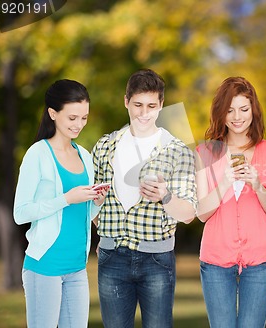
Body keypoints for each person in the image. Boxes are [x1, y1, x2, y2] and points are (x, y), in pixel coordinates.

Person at [92, 68, 197, 328]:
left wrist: (165, 196)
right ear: (126, 101)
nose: (144, 112)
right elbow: (92, 204)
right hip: (111, 256)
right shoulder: (105, 146)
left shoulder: (177, 150)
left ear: (161, 105)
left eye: (151, 105)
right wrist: (105, 229)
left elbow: (188, 213)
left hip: (156, 260)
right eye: (137, 105)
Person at [13, 79, 107, 328]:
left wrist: (97, 201)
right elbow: (20, 213)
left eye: (84, 118)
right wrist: (66, 199)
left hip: (77, 267)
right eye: (72, 118)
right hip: (45, 266)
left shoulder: (85, 156)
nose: (79, 125)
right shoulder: (38, 154)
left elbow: (83, 214)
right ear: (53, 114)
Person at [195, 76, 266, 328]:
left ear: (253, 111)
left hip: (260, 261)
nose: (237, 116)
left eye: (244, 109)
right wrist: (224, 182)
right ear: (220, 113)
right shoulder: (205, 153)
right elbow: (202, 213)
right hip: (215, 260)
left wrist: (257, 184)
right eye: (230, 110)